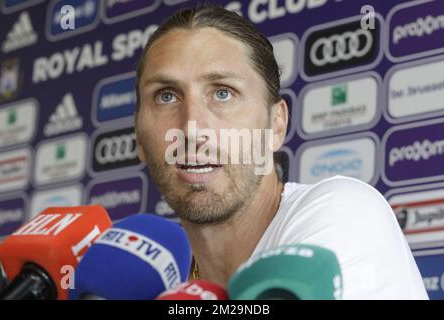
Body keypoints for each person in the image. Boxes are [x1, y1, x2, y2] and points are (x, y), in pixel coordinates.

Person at [134, 4, 428, 299]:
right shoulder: (161, 283)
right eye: (166, 96)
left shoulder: (345, 213)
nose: (192, 129)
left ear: (276, 126)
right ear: (138, 138)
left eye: (222, 92)